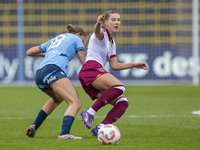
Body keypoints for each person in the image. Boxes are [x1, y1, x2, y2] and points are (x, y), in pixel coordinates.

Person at [79, 10, 148, 136]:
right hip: (91, 69)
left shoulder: (112, 42)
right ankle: (89, 113)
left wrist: (133, 64)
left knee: (123, 103)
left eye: (118, 20)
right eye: (113, 20)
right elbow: (97, 31)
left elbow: (114, 65)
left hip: (93, 73)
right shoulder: (102, 33)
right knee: (119, 87)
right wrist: (98, 23)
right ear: (106, 22)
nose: (117, 22)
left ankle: (100, 128)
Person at [25, 24, 86, 139]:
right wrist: (90, 71)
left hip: (39, 73)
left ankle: (34, 125)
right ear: (78, 34)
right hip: (54, 70)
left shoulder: (54, 40)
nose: (82, 43)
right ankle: (64, 133)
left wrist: (47, 54)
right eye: (82, 40)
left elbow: (29, 52)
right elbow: (82, 56)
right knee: (75, 102)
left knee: (57, 98)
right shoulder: (76, 38)